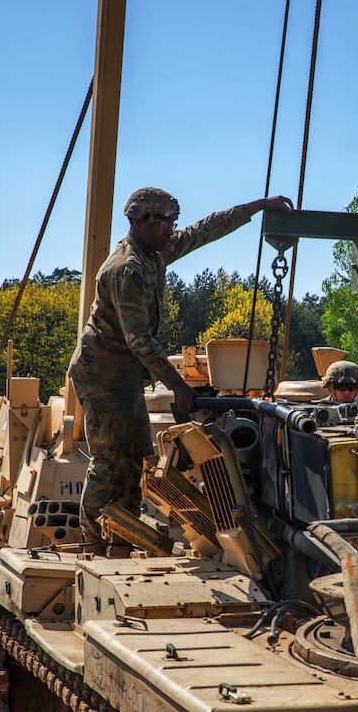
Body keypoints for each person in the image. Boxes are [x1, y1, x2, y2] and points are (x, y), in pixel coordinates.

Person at [68, 187, 294, 553]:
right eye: (164, 222)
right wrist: (178, 385)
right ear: (140, 222)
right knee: (110, 460)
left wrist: (257, 206)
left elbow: (205, 229)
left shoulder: (155, 251)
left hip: (124, 377)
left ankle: (122, 537)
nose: (171, 229)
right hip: (103, 376)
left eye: (173, 221)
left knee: (137, 457)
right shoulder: (127, 269)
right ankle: (93, 542)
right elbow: (138, 339)